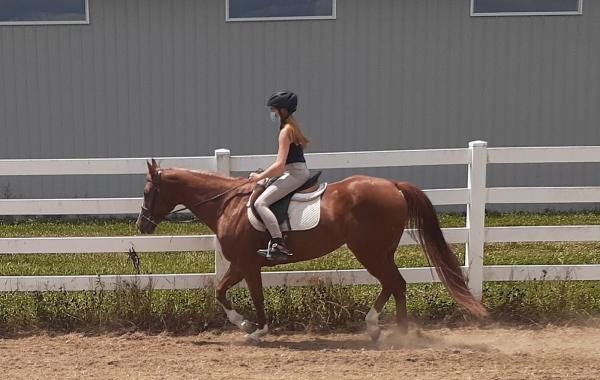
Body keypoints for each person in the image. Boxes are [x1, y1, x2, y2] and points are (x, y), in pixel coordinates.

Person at [249, 90, 311, 261]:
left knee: (261, 203)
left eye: (274, 110)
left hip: (295, 174)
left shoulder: (285, 132)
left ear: (283, 111)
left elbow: (279, 165)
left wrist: (259, 177)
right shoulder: (292, 128)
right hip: (293, 171)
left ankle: (278, 243)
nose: (272, 114)